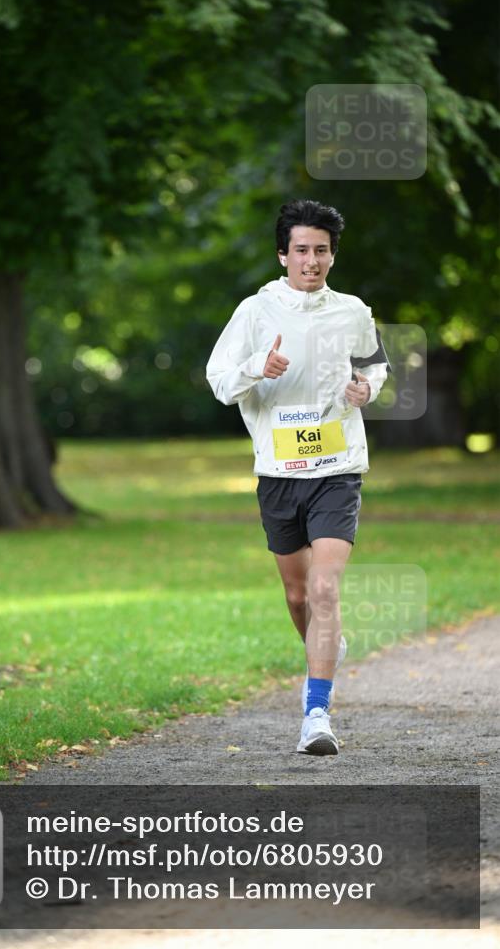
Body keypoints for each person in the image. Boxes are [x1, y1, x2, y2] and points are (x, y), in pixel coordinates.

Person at [206, 199, 390, 756]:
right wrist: (257, 367)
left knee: (324, 588)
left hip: (337, 468)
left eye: (321, 251)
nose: (311, 261)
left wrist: (366, 389)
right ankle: (324, 646)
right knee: (297, 594)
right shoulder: (255, 312)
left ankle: (316, 713)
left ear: (333, 255)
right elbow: (218, 380)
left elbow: (374, 365)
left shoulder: (353, 310)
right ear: (283, 254)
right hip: (279, 472)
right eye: (302, 250)